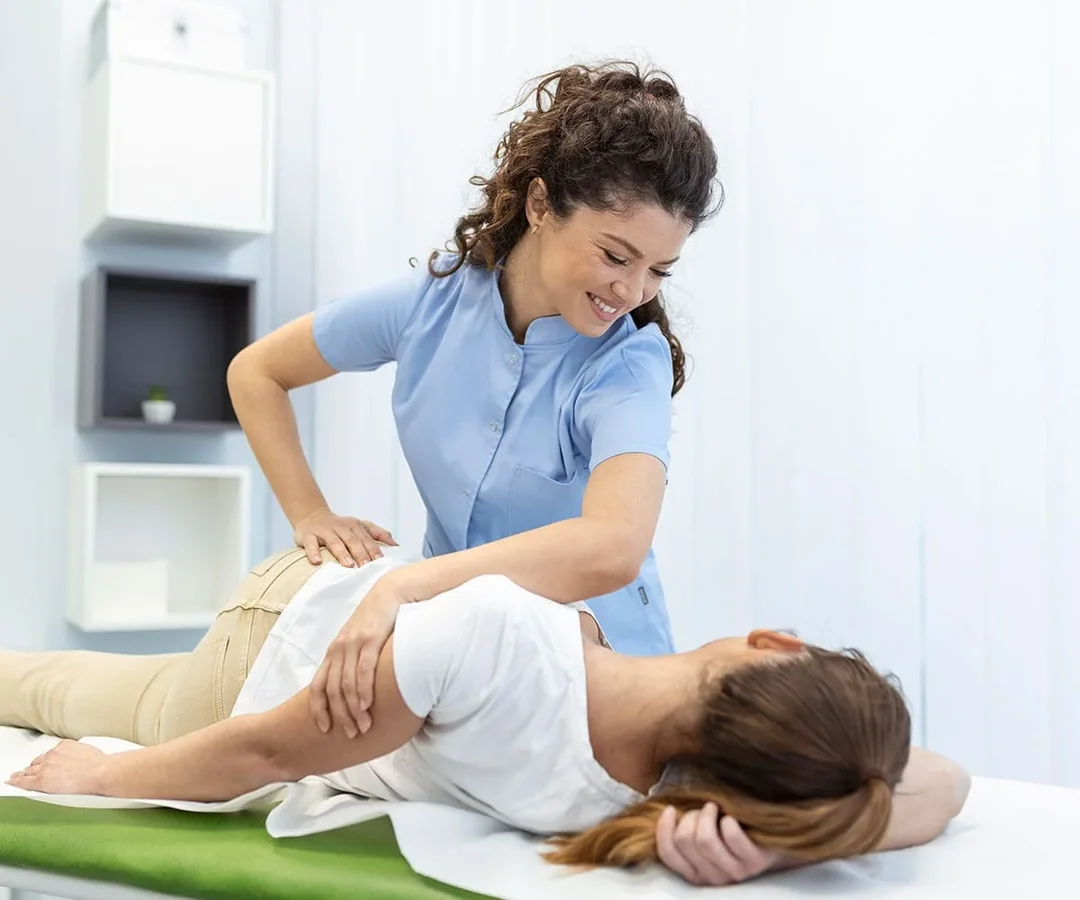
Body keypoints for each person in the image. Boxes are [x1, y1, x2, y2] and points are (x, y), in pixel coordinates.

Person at [224, 59, 722, 740]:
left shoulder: (628, 363)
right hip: (452, 663)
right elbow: (256, 372)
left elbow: (614, 547)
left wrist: (406, 586)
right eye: (615, 256)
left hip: (599, 683)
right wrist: (310, 513)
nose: (633, 291)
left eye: (659, 270)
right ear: (541, 206)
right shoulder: (432, 305)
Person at [3, 549, 970, 886]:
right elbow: (941, 782)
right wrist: (773, 843)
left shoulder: (496, 637)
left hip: (261, 656)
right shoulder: (657, 794)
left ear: (773, 645)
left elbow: (263, 750)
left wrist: (104, 776)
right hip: (343, 637)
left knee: (48, 690)